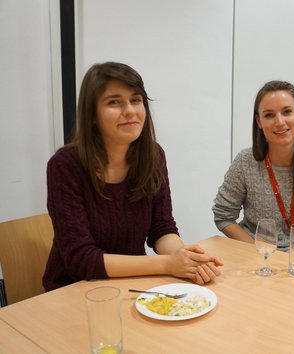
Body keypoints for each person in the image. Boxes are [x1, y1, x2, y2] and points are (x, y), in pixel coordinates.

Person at [43, 62, 222, 291]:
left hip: (131, 284)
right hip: (74, 290)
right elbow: (81, 259)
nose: (129, 110)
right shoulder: (65, 166)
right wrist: (168, 263)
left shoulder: (153, 156)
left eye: (136, 100)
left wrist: (183, 256)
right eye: (114, 102)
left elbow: (162, 228)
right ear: (92, 115)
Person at [212, 80, 294, 254]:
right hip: (256, 256)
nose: (280, 122)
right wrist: (258, 250)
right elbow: (223, 216)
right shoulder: (245, 161)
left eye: (287, 112)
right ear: (259, 122)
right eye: (269, 115)